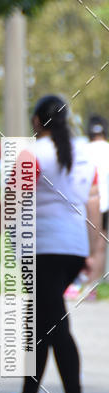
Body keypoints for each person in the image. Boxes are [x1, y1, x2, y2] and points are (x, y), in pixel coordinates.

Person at [0, 95, 100, 393]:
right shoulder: (84, 155)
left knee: (54, 326)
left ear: (38, 121)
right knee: (39, 326)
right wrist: (95, 250)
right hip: (71, 250)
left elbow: (9, 205)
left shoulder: (34, 154)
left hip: (43, 251)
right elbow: (93, 204)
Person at [86, 114, 109, 286]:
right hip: (105, 202)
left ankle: (83, 281)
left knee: (87, 245)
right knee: (101, 245)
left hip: (87, 202)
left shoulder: (83, 150)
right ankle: (94, 283)